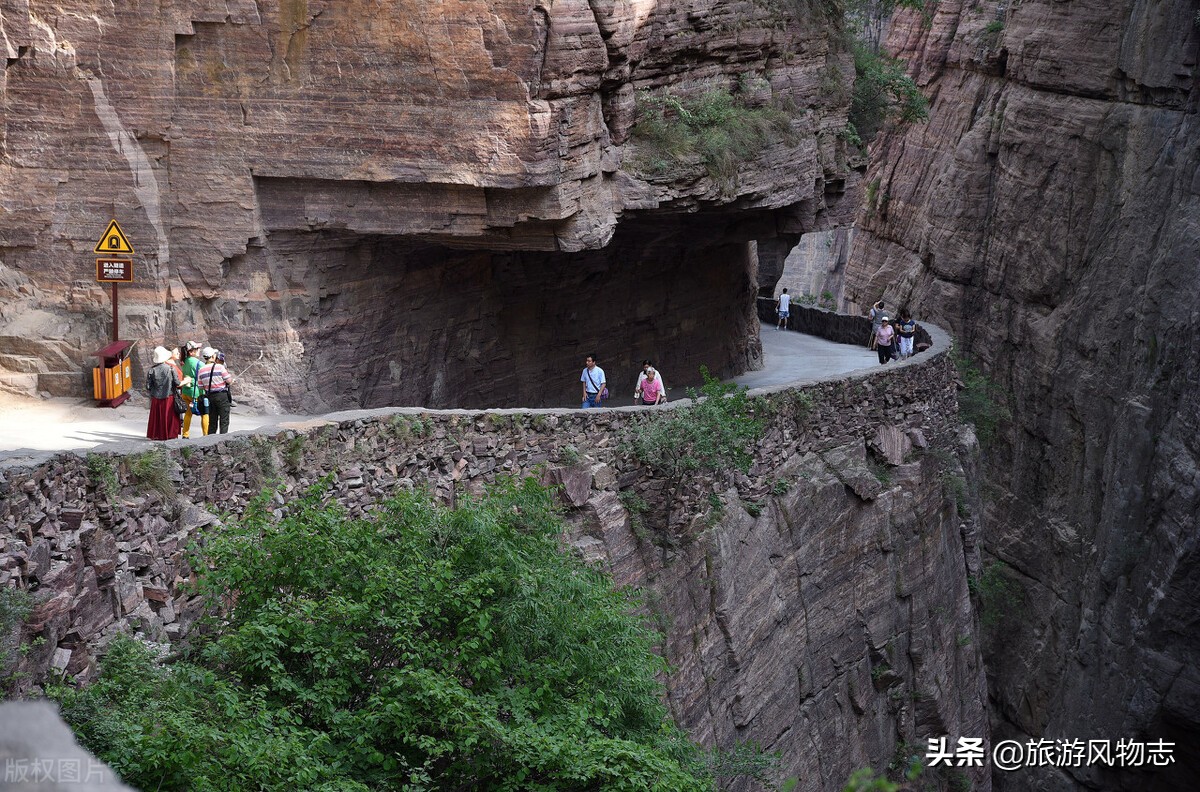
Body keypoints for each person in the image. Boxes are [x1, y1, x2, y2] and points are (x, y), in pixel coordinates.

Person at [146, 345, 185, 441]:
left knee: (157, 418)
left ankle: (157, 434)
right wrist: (187, 380)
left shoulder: (152, 370)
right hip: (169, 397)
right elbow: (177, 383)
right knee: (169, 417)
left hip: (156, 397)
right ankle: (170, 434)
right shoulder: (171, 369)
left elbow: (148, 386)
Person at [197, 346, 235, 433]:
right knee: (224, 420)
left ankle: (210, 442)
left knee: (212, 422)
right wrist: (231, 381)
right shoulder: (220, 367)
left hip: (210, 397)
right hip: (222, 396)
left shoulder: (201, 370)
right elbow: (228, 381)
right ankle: (222, 441)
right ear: (213, 356)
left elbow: (200, 386)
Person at [180, 341, 208, 438]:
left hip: (186, 392)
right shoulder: (198, 363)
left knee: (188, 413)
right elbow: (207, 371)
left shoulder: (184, 361)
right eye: (197, 349)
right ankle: (206, 435)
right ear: (191, 352)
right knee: (204, 413)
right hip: (195, 394)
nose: (199, 350)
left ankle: (185, 434)